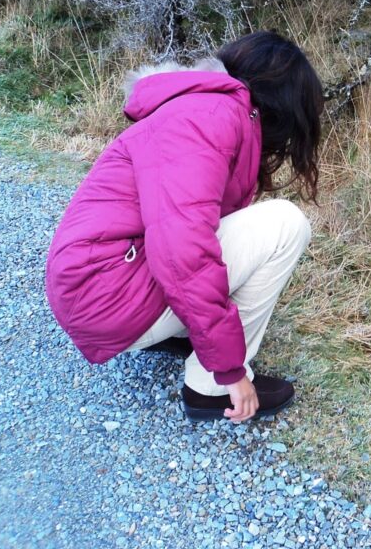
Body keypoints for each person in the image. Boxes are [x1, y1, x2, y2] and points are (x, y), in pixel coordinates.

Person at [45, 30, 323, 423]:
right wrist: (230, 371)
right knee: (286, 224)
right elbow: (183, 251)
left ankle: (180, 334)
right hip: (108, 298)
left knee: (211, 223)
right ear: (281, 104)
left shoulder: (199, 110)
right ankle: (209, 388)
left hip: (95, 289)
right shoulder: (211, 118)